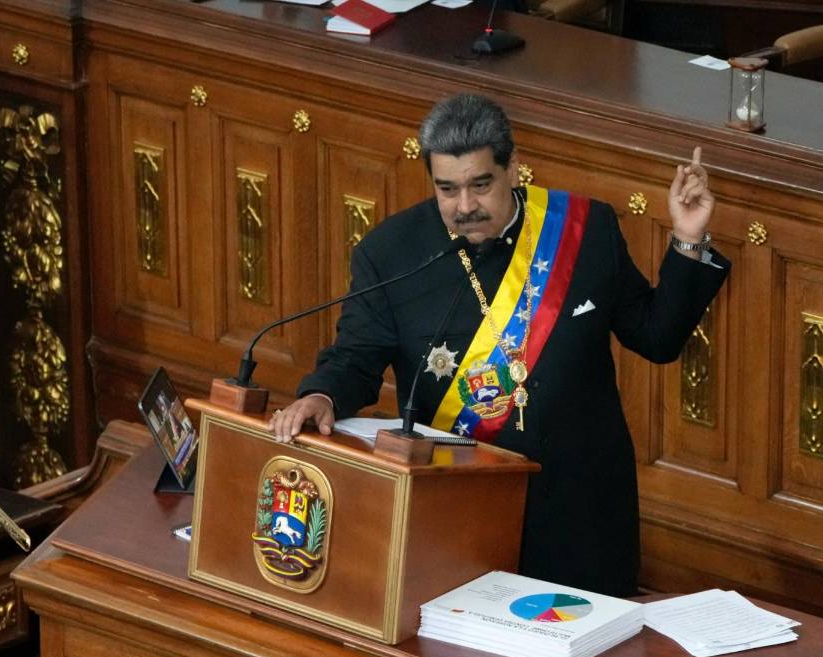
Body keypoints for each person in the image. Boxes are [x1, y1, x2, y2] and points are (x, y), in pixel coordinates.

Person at [268, 93, 729, 597]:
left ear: (514, 169)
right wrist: (321, 396)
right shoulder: (390, 253)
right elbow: (355, 360)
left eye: (480, 185)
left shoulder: (583, 229)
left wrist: (688, 239)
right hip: (456, 508)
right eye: (447, 189)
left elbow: (657, 338)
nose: (464, 207)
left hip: (581, 512)